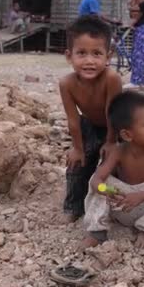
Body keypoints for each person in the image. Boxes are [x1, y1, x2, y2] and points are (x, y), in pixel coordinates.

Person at [81, 91, 144, 250]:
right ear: (127, 135)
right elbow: (96, 181)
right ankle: (97, 232)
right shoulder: (118, 152)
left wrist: (140, 196)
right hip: (121, 203)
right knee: (99, 183)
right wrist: (108, 190)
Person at [59, 16, 122, 223]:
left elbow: (114, 113)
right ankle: (74, 206)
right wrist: (77, 148)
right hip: (88, 126)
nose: (89, 61)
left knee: (114, 164)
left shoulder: (111, 79)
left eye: (97, 53)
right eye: (81, 53)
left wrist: (111, 142)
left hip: (115, 127)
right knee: (78, 163)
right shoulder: (67, 84)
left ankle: (114, 204)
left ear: (108, 56)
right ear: (69, 56)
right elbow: (73, 120)